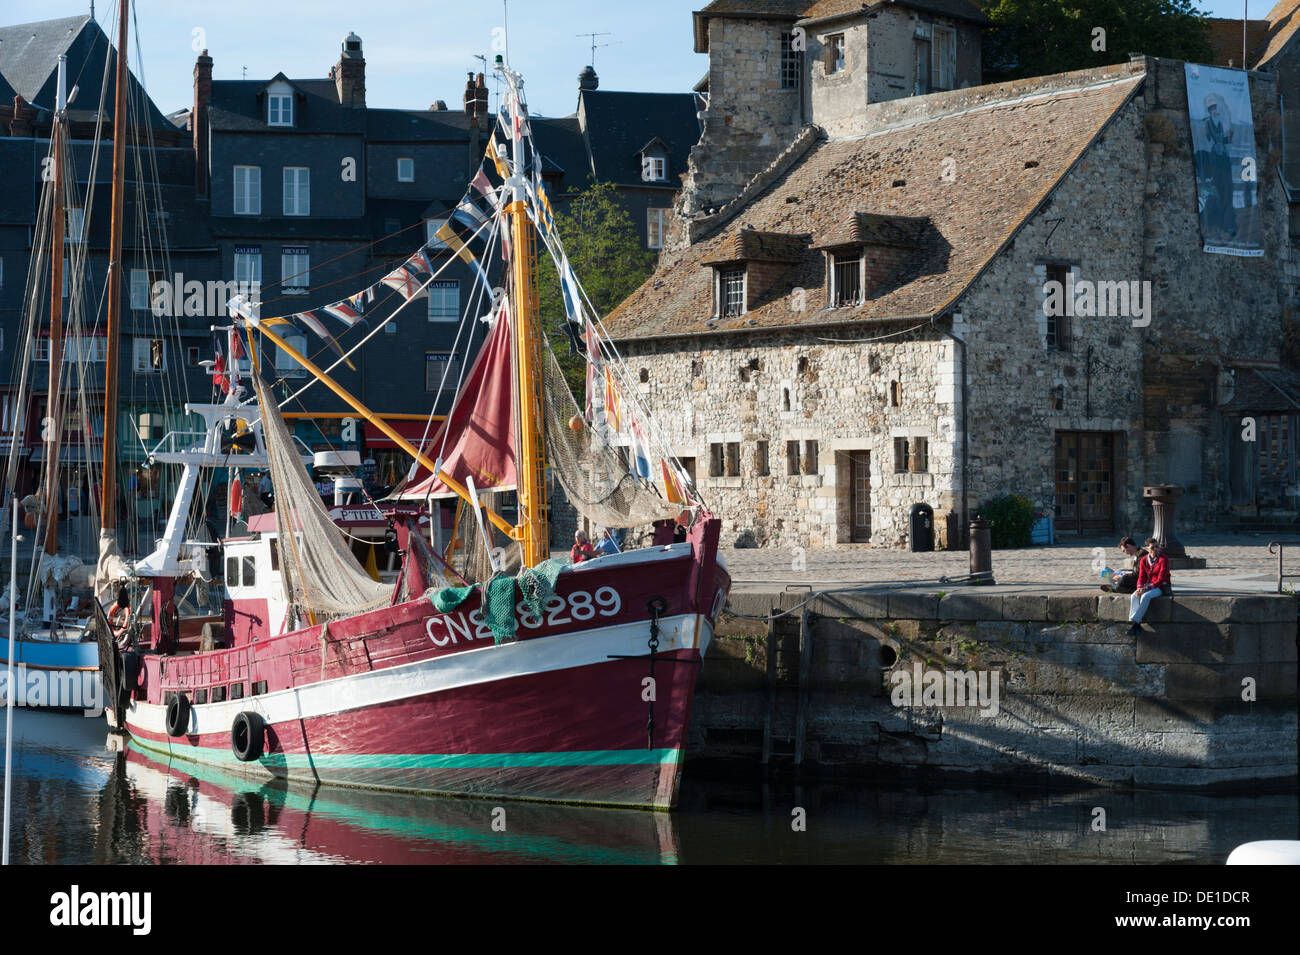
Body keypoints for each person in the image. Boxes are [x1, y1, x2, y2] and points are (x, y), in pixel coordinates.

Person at [1128, 538, 1171, 636]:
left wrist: (1146, 588)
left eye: (1157, 546)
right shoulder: (1144, 560)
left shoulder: (1163, 559)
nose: (1155, 549)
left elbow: (1161, 579)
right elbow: (1141, 576)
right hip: (1147, 586)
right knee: (1134, 595)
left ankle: (1135, 624)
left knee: (1145, 596)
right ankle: (1136, 624)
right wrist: (1139, 588)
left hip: (1160, 587)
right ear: (1147, 549)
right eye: (1153, 547)